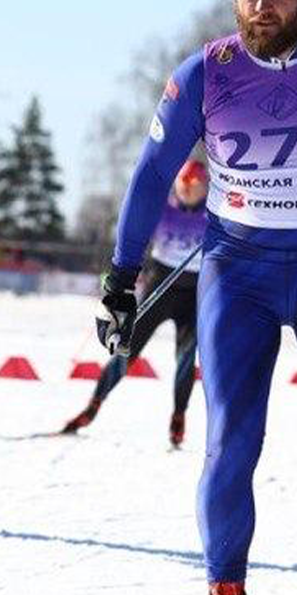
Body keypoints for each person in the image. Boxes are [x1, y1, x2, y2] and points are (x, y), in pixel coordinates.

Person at [98, 0, 297, 595]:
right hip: (237, 273)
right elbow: (151, 175)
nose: (261, 4)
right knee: (230, 444)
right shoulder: (206, 73)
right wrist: (121, 279)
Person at [64, 159, 208, 447]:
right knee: (126, 349)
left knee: (185, 358)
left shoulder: (212, 214)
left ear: (204, 188)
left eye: (194, 187)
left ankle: (179, 416)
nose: (188, 191)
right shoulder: (163, 210)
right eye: (183, 185)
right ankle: (94, 404)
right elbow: (134, 235)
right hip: (160, 288)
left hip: (193, 294)